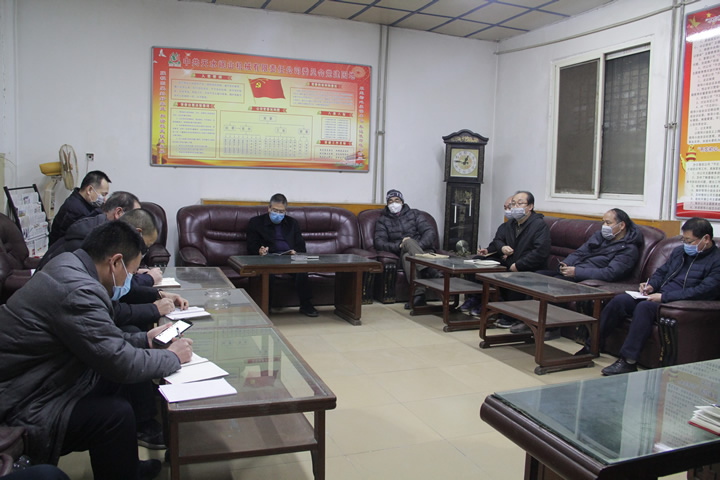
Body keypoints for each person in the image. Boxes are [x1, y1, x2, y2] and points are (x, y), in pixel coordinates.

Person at [0, 221, 193, 479]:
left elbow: (100, 337)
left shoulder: (68, 264)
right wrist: (172, 357)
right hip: (23, 400)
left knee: (116, 389)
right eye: (131, 272)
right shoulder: (79, 290)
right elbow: (121, 362)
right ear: (115, 262)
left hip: (39, 379)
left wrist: (144, 339)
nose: (129, 280)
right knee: (115, 414)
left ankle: (128, 467)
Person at [583, 217, 720, 375]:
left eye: (689, 241)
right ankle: (592, 346)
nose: (686, 244)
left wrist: (663, 297)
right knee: (620, 300)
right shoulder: (679, 252)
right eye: (684, 240)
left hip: (678, 302)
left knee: (645, 307)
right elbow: (661, 272)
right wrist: (651, 285)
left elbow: (704, 290)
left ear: (706, 238)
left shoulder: (716, 260)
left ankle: (628, 361)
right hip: (659, 294)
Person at [511, 208, 644, 335]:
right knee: (537, 277)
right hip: (574, 272)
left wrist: (577, 272)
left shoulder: (628, 249)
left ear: (622, 226)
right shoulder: (600, 237)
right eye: (603, 222)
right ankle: (527, 320)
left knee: (554, 284)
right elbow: (580, 252)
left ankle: (550, 328)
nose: (604, 226)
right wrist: (566, 263)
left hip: (588, 279)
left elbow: (610, 273)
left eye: (608, 223)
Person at [476, 191, 551, 327]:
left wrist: (519, 265)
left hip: (529, 268)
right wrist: (502, 247)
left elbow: (540, 252)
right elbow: (498, 240)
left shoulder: (539, 225)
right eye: (513, 204)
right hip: (510, 263)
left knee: (515, 278)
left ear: (530, 207)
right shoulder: (511, 224)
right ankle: (484, 305)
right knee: (479, 263)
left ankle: (511, 317)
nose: (515, 207)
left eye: (520, 203)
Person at [247, 193, 317, 317]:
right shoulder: (256, 222)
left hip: (289, 258)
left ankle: (306, 305)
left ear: (285, 211)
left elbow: (301, 246)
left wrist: (295, 252)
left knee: (302, 271)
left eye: (281, 212)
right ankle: (266, 306)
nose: (278, 214)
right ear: (268, 209)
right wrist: (259, 250)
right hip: (268, 259)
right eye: (275, 210)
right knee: (268, 275)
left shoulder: (292, 223)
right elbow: (251, 245)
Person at [373, 189, 440, 309]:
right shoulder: (382, 221)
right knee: (407, 243)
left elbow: (429, 232)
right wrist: (399, 245)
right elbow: (379, 242)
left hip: (424, 250)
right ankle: (429, 269)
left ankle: (419, 295)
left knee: (408, 256)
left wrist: (416, 245)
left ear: (402, 202)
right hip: (401, 249)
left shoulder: (415, 214)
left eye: (397, 200)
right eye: (390, 201)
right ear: (387, 204)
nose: (394, 203)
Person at [460, 194, 514, 314]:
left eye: (510, 207)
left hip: (511, 260)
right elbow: (497, 242)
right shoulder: (505, 226)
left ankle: (487, 301)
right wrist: (487, 250)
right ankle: (475, 297)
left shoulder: (528, 226)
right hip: (500, 256)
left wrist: (510, 254)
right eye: (505, 208)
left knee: (486, 266)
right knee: (475, 260)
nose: (507, 211)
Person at [49, 170, 111, 245]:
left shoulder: (84, 204)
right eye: (103, 194)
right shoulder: (74, 209)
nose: (104, 199)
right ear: (89, 190)